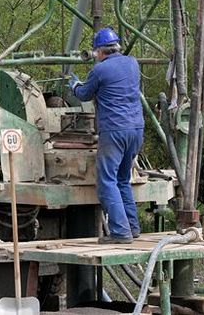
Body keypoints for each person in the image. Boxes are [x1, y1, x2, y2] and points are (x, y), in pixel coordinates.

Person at [69, 27, 144, 244]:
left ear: (100, 51)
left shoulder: (100, 71)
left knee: (107, 181)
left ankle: (120, 232)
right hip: (136, 129)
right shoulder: (133, 63)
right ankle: (132, 227)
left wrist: (74, 84)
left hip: (114, 131)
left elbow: (83, 94)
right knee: (123, 179)